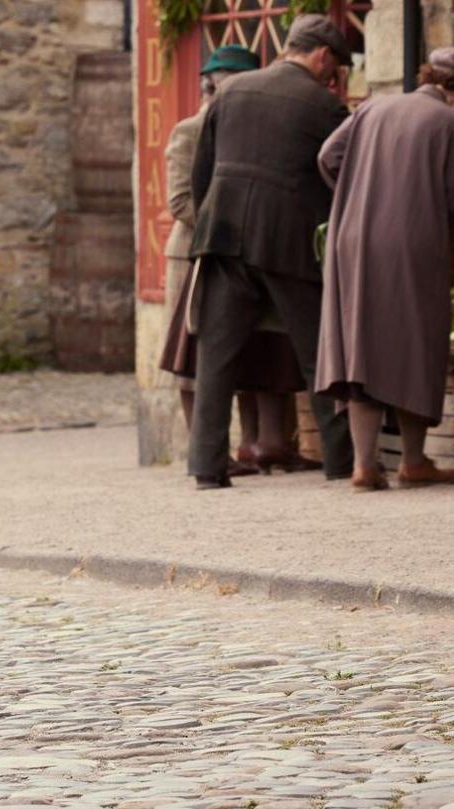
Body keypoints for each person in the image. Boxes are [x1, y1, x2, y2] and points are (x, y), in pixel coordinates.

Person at [186, 15, 355, 489]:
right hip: (288, 241)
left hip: (223, 234)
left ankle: (206, 467)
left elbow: (204, 170)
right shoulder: (324, 105)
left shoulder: (233, 91)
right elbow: (340, 179)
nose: (334, 78)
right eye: (335, 68)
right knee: (318, 354)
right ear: (322, 57)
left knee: (216, 357)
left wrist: (209, 223)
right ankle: (341, 462)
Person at [160, 45, 315, 477]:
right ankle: (205, 453)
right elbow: (179, 200)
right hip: (196, 252)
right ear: (215, 85)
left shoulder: (248, 128)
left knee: (256, 349)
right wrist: (223, 228)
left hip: (238, 252)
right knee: (193, 355)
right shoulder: (189, 129)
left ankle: (258, 445)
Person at [315, 47, 454, 491]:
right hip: (415, 240)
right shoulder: (447, 123)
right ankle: (413, 461)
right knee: (416, 342)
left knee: (361, 346)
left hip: (351, 239)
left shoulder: (373, 106)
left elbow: (327, 156)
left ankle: (364, 465)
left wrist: (358, 195)